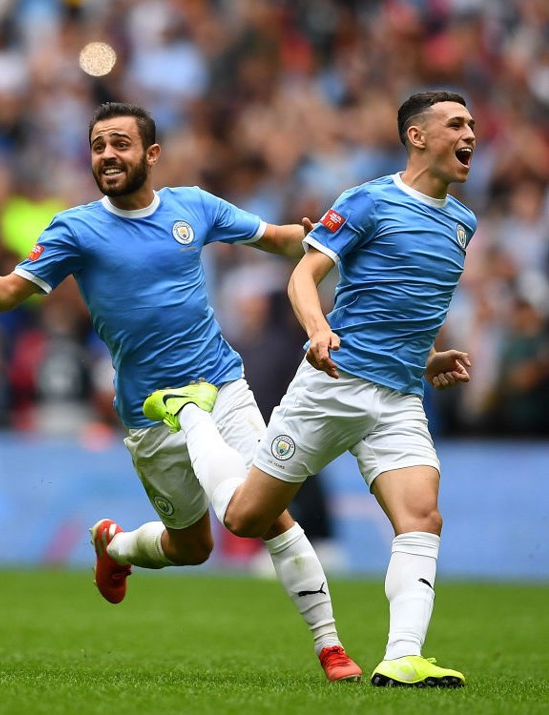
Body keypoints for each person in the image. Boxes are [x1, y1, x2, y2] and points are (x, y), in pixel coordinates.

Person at [0, 101, 361, 682]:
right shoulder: (76, 228)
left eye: (120, 144)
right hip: (147, 414)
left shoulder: (195, 207)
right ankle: (114, 548)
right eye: (98, 146)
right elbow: (11, 292)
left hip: (222, 386)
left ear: (151, 154)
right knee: (193, 549)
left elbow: (277, 239)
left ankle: (331, 647)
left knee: (267, 514)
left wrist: (322, 239)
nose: (107, 155)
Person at [155, 90, 476, 688]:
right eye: (456, 123)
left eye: (472, 125)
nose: (469, 135)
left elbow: (404, 304)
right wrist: (319, 328)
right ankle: (192, 415)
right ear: (417, 135)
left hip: (400, 396)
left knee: (422, 517)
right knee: (248, 518)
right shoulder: (367, 201)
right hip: (334, 384)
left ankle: (402, 656)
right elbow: (303, 276)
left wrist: (428, 359)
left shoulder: (463, 221)